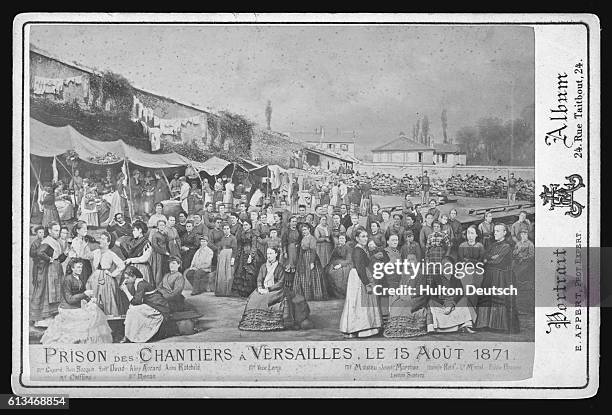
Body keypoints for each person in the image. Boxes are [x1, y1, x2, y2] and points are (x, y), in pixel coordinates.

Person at [41, 259, 113, 344]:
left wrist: (90, 299)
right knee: (91, 317)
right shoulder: (67, 279)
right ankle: (84, 342)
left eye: (81, 267)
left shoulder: (79, 279)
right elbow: (69, 299)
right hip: (68, 308)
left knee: (95, 309)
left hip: (76, 306)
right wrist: (84, 294)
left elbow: (82, 294)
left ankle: (92, 343)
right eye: (78, 267)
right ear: (72, 268)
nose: (80, 269)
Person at [238, 247, 299, 331]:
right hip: (263, 288)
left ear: (276, 254)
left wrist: (269, 289)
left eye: (271, 253)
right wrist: (259, 288)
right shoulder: (263, 266)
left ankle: (269, 322)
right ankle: (253, 322)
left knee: (266, 298)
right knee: (254, 297)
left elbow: (281, 283)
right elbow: (259, 279)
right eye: (267, 254)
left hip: (276, 290)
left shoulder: (280, 267)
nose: (268, 256)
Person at [476, 223, 520, 333]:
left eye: (498, 231)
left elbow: (497, 261)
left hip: (501, 277)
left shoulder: (507, 246)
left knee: (499, 301)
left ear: (505, 233)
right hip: (490, 276)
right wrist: (489, 259)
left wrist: (489, 259)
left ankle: (498, 326)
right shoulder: (492, 245)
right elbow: (484, 258)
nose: (495, 233)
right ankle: (485, 324)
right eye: (494, 231)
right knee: (486, 299)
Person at [339, 228, 382, 338]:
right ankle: (360, 329)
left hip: (361, 275)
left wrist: (373, 256)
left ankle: (365, 328)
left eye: (366, 236)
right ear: (357, 238)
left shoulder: (362, 249)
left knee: (363, 301)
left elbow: (364, 262)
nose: (365, 239)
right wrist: (367, 283)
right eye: (362, 237)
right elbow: (360, 268)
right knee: (359, 301)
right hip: (359, 277)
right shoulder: (358, 250)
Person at [120, 266, 171, 343]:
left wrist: (126, 291)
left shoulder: (141, 284)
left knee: (133, 310)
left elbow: (136, 301)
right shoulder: (138, 282)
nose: (125, 280)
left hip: (159, 307)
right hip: (152, 304)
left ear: (134, 276)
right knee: (132, 309)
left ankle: (130, 335)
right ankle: (129, 334)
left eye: (127, 278)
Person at [383, 253, 428, 338]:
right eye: (408, 260)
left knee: (405, 305)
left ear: (416, 261)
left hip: (418, 297)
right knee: (396, 304)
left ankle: (406, 329)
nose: (410, 262)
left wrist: (409, 295)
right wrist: (401, 294)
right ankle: (396, 329)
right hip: (405, 296)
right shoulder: (405, 273)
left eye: (412, 259)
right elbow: (401, 286)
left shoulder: (421, 272)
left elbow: (421, 289)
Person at [426, 256, 476, 333]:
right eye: (444, 265)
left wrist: (452, 303)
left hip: (453, 303)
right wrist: (444, 303)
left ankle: (466, 326)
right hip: (441, 303)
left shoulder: (456, 278)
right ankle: (433, 328)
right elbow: (432, 294)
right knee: (431, 301)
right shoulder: (436, 278)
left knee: (464, 300)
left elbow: (460, 293)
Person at [31, 222, 67, 326]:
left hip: (56, 269)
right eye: (56, 230)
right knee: (46, 291)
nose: (58, 233)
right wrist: (49, 259)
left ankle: (52, 314)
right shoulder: (47, 241)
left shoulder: (56, 241)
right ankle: (42, 317)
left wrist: (65, 254)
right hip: (48, 271)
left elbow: (59, 259)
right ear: (50, 231)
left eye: (59, 231)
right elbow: (39, 253)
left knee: (56, 291)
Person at [86, 232, 127, 317]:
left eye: (103, 239)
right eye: (100, 238)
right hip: (95, 278)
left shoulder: (111, 254)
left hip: (107, 279)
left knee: (107, 300)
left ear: (108, 242)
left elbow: (121, 265)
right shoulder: (96, 252)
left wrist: (113, 274)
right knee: (94, 298)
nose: (100, 240)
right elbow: (85, 256)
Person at [293, 224, 328, 301]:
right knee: (302, 275)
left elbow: (313, 251)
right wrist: (299, 261)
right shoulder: (303, 238)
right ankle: (304, 295)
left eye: (305, 230)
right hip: (303, 259)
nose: (304, 231)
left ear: (309, 229)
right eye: (303, 230)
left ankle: (314, 295)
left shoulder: (312, 238)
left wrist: (312, 262)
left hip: (310, 258)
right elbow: (301, 251)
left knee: (312, 275)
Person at [457, 225, 486, 313]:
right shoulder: (462, 245)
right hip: (465, 271)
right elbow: (461, 259)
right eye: (468, 233)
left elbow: (481, 259)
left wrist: (474, 263)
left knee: (475, 292)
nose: (470, 235)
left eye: (472, 233)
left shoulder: (480, 246)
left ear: (476, 235)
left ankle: (475, 312)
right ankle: (467, 314)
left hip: (477, 271)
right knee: (467, 292)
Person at [232, 219, 258, 297]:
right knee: (240, 271)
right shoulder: (241, 233)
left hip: (249, 253)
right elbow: (239, 245)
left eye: (246, 225)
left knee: (249, 272)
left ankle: (248, 292)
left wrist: (251, 256)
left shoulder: (253, 234)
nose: (245, 226)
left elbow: (254, 246)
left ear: (250, 225)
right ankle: (241, 292)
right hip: (242, 254)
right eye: (243, 225)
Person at [325, 233, 352, 298]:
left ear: (345, 240)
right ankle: (334, 293)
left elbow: (348, 260)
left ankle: (341, 294)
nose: (341, 240)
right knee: (328, 272)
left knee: (338, 273)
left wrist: (340, 265)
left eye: (343, 238)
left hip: (345, 265)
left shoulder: (348, 248)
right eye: (340, 238)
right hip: (335, 263)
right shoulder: (336, 247)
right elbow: (332, 258)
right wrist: (330, 265)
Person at [67, 221, 94, 285]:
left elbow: (90, 255)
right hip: (78, 266)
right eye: (83, 228)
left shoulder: (84, 240)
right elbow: (80, 255)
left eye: (86, 228)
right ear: (77, 231)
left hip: (86, 264)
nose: (86, 230)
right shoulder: (75, 241)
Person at [214, 223, 237, 297]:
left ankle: (227, 292)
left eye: (227, 229)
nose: (226, 230)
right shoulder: (222, 238)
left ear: (230, 229)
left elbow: (235, 249)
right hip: (222, 256)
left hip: (229, 255)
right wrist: (219, 254)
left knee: (228, 273)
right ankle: (221, 292)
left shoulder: (233, 238)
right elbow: (219, 247)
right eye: (224, 229)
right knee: (221, 273)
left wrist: (233, 258)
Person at [150, 220, 170, 287]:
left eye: (163, 225)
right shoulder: (155, 235)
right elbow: (155, 246)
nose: (162, 226)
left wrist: (168, 252)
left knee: (165, 269)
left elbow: (167, 244)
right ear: (158, 226)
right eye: (160, 225)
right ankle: (158, 285)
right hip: (158, 255)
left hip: (166, 255)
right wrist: (164, 252)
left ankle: (165, 285)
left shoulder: (165, 234)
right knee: (159, 270)